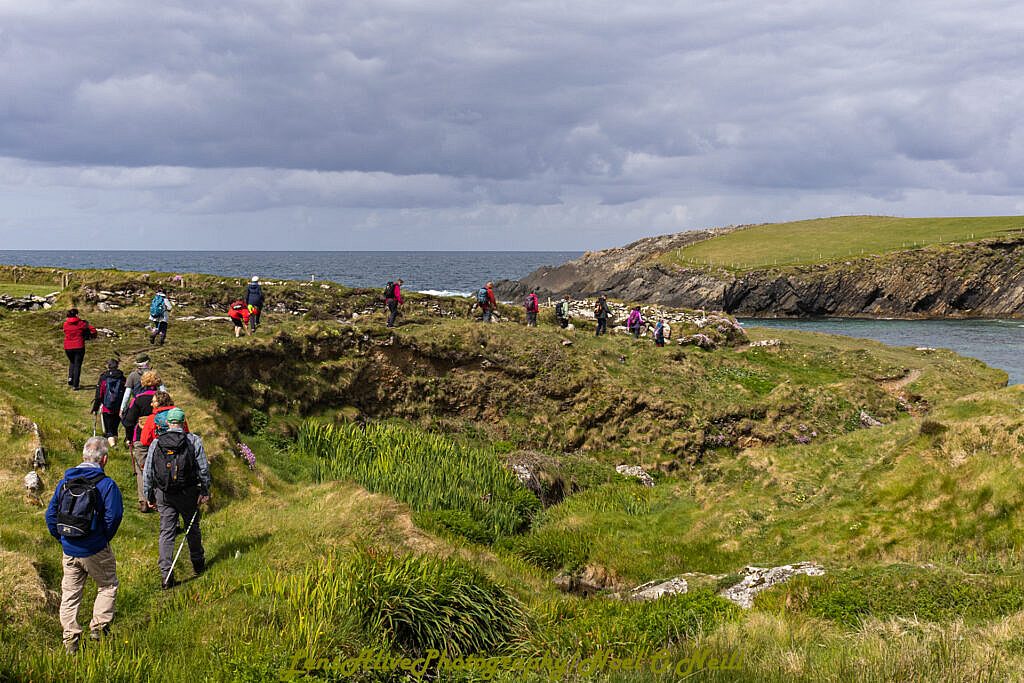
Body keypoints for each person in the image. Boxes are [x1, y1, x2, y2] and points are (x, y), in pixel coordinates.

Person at [45, 437, 123, 653]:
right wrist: (102, 538)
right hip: (95, 548)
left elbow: (50, 515)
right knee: (108, 585)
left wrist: (62, 539)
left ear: (82, 457)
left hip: (69, 548)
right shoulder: (107, 485)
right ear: (104, 460)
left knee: (70, 593)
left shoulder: (64, 483)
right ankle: (98, 627)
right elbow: (114, 516)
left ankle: (70, 639)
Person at [143, 408, 211, 589]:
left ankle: (166, 575)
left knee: (166, 532)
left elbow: (148, 472)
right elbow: (203, 469)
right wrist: (204, 490)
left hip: (164, 494)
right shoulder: (193, 440)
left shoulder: (156, 443)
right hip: (188, 493)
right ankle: (198, 563)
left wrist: (149, 495)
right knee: (192, 528)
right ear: (183, 422)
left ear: (167, 423)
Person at [121, 371, 162, 513]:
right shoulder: (162, 399)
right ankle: (158, 499)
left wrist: (129, 437)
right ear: (157, 382)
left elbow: (128, 421)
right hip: (159, 437)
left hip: (140, 437)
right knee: (159, 468)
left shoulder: (138, 399)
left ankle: (144, 500)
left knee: (141, 469)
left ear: (143, 383)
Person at [91, 360, 126, 448]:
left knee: (108, 430)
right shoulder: (122, 378)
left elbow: (99, 394)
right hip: (118, 407)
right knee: (114, 428)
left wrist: (95, 407)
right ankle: (115, 445)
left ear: (108, 366)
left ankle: (113, 447)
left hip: (107, 407)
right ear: (117, 366)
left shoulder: (103, 377)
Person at [62, 309, 97, 391]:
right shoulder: (81, 323)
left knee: (72, 362)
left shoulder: (65, 324)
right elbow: (92, 329)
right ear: (76, 315)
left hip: (67, 347)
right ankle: (75, 384)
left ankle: (70, 378)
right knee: (77, 364)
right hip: (79, 346)